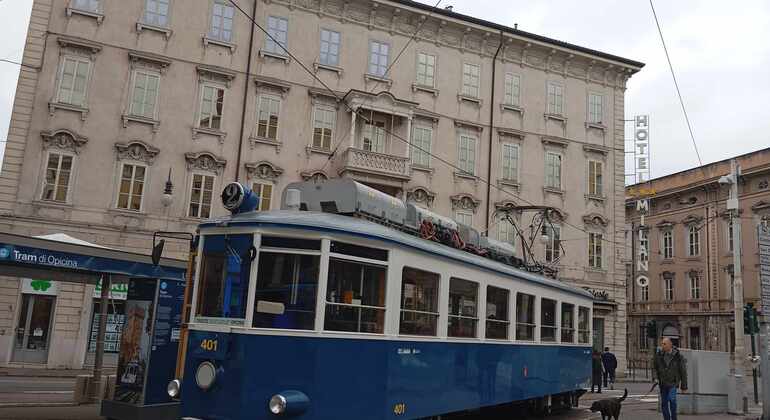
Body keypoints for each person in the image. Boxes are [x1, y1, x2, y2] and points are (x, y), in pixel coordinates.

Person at [652, 337, 688, 420]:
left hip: (673, 383)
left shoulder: (678, 356)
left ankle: (674, 418)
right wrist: (656, 378)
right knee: (664, 403)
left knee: (672, 400)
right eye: (662, 344)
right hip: (663, 383)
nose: (662, 346)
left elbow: (683, 372)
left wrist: (684, 387)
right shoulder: (659, 355)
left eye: (664, 344)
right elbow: (654, 368)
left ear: (670, 345)